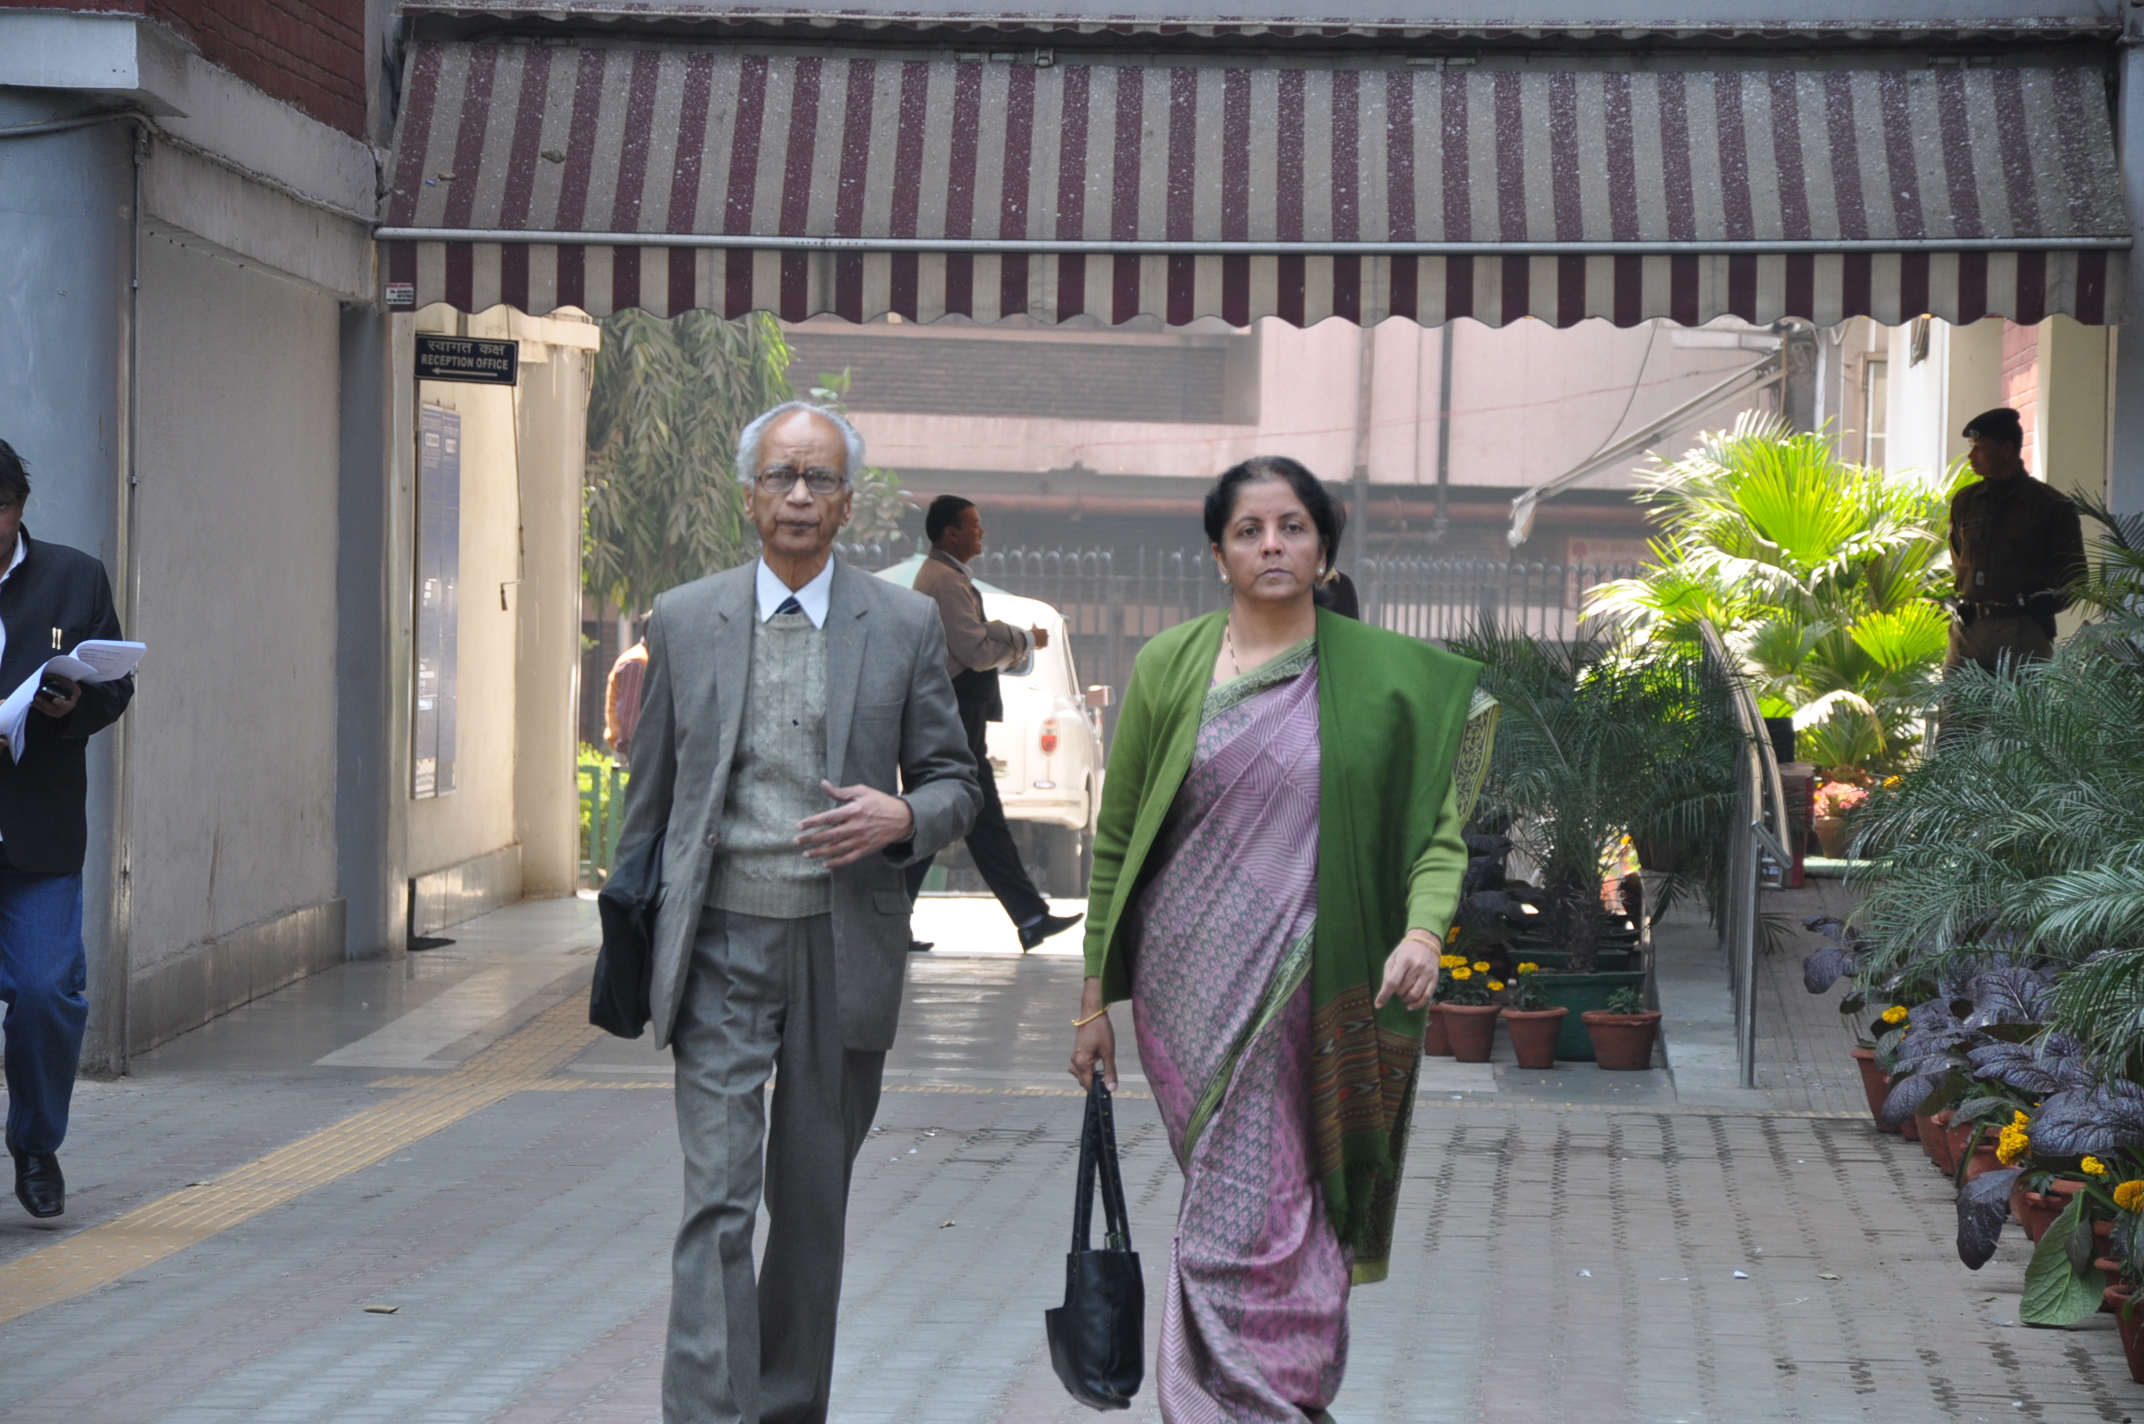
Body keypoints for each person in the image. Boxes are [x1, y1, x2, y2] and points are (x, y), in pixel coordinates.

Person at [1069, 455, 1496, 1422]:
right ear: (1217, 551)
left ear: (1324, 546)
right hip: (1188, 983)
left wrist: (1424, 935)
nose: (1272, 545)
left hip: (1322, 975)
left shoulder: (1386, 681)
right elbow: (1118, 842)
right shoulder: (1168, 665)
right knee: (1248, 1197)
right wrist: (1092, 1000)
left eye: (1292, 526)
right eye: (1249, 530)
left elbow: (1437, 836)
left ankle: (1254, 1401)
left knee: (1283, 1205)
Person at [612, 402, 981, 1424]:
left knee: (809, 1209)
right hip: (720, 942)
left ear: (847, 503)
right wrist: (629, 934)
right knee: (716, 1199)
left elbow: (958, 781)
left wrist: (902, 810)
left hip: (840, 947)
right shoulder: (684, 617)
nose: (799, 498)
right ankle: (707, 1409)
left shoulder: (900, 622)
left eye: (819, 481)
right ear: (749, 495)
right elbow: (650, 803)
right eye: (781, 477)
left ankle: (782, 1408)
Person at [0, 439, 135, 1220]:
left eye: (3, 509)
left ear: (20, 506)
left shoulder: (73, 576)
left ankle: (36, 1143)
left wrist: (74, 708)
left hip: (37, 833)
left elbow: (116, 686)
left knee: (49, 994)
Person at [906, 495, 1084, 951]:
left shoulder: (947, 578)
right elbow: (974, 649)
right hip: (953, 714)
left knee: (957, 815)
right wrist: (1021, 638)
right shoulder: (945, 582)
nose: (982, 534)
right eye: (975, 526)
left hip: (956, 713)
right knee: (950, 813)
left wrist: (1003, 636)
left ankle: (1028, 916)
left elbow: (978, 642)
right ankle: (1028, 916)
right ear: (951, 533)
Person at [1946, 406, 2086, 674]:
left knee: (2020, 716)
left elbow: (2075, 580)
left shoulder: (2050, 506)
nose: (1971, 455)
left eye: (1980, 447)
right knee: (1957, 715)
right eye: (1971, 446)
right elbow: (1960, 559)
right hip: (1968, 633)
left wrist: (2035, 608)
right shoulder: (1965, 502)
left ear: (2007, 449)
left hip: (2021, 634)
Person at [604, 632, 648, 760]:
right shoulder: (636, 662)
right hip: (630, 753)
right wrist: (628, 751)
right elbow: (629, 714)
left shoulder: (644, 657)